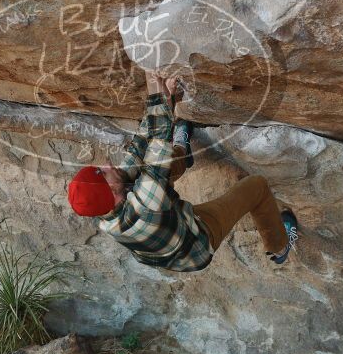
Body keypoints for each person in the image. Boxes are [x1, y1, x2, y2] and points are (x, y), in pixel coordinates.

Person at [68, 71, 298, 272]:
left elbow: (140, 146)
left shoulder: (106, 207)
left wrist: (166, 101)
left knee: (151, 166)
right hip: (196, 244)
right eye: (104, 173)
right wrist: (155, 87)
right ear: (113, 191)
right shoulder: (144, 208)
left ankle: (182, 150)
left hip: (168, 227)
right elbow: (157, 144)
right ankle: (279, 247)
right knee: (256, 186)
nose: (107, 165)